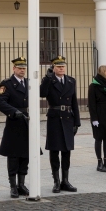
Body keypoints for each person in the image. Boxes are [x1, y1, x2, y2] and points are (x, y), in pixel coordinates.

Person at [40, 55, 81, 193]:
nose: (61, 68)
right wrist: (47, 78)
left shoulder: (71, 81)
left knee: (66, 151)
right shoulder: (49, 81)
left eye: (63, 66)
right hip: (55, 118)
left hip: (68, 118)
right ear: (53, 67)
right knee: (54, 151)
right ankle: (56, 181)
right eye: (58, 66)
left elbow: (74, 102)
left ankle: (65, 180)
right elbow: (42, 93)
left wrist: (77, 122)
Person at [0, 57, 30, 198]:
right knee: (14, 155)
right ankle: (13, 186)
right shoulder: (7, 84)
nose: (22, 70)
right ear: (14, 69)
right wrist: (14, 112)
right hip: (14, 122)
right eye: (19, 68)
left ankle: (22, 184)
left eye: (24, 68)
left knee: (26, 155)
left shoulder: (29, 83)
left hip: (27, 121)